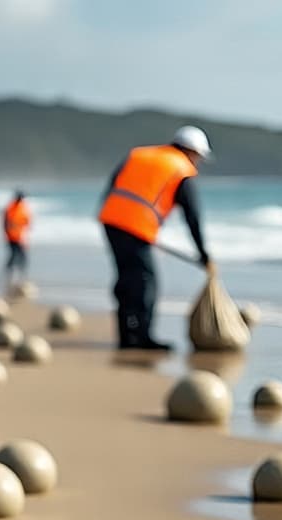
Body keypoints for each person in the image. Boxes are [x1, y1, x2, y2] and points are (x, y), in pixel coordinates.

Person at [98, 125, 212, 351]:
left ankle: (126, 335)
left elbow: (113, 185)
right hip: (136, 226)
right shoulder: (181, 169)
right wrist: (203, 253)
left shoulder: (140, 154)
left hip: (111, 220)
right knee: (146, 282)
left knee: (126, 278)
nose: (197, 162)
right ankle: (142, 338)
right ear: (192, 152)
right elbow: (192, 216)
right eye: (198, 157)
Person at [3, 190, 31, 281]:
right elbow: (6, 223)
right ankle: (10, 273)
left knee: (21, 256)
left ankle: (20, 274)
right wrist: (7, 233)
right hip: (12, 237)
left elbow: (27, 222)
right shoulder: (11, 208)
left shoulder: (22, 208)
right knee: (14, 255)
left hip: (20, 236)